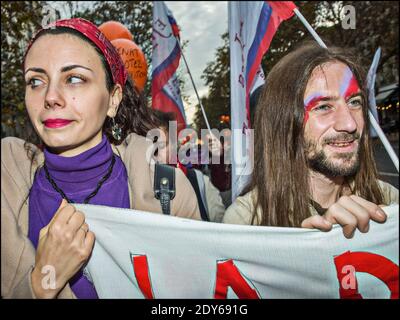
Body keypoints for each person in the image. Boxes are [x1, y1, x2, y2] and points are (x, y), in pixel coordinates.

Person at [1, 18, 202, 299]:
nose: (51, 97)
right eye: (35, 81)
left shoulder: (169, 190)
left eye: (74, 79)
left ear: (113, 99)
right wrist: (42, 282)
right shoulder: (6, 187)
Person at [223, 42, 398, 237]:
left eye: (354, 102)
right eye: (323, 107)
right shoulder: (246, 222)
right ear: (285, 123)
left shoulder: (389, 200)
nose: (350, 124)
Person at [152, 111, 226, 223]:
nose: (154, 154)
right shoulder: (135, 187)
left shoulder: (200, 181)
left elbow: (222, 228)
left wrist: (219, 159)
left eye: (161, 145)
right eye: (150, 146)